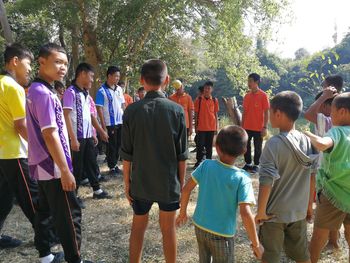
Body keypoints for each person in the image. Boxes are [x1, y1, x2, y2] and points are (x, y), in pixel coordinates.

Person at [26, 43, 93, 263]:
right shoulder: (43, 93)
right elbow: (50, 134)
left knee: (44, 212)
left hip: (40, 164)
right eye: (57, 62)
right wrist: (65, 170)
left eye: (64, 63)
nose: (62, 67)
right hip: (53, 166)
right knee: (69, 216)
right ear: (41, 62)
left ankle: (45, 255)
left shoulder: (35, 90)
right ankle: (75, 259)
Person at [0, 43, 63, 262]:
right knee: (34, 200)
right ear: (15, 61)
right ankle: (46, 250)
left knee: (4, 200)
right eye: (28, 64)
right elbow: (20, 125)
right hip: (15, 153)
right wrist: (40, 147)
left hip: (2, 154)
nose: (29, 70)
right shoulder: (12, 87)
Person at [120, 59, 188, 263]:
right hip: (168, 182)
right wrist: (181, 183)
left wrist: (127, 182)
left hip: (141, 181)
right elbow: (182, 155)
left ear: (142, 80)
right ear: (166, 80)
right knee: (168, 230)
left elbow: (127, 154)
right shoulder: (176, 111)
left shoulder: (132, 111)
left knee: (138, 227)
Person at [176, 125, 264, 262]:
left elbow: (186, 189)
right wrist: (256, 244)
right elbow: (246, 213)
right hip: (222, 234)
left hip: (200, 227)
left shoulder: (206, 165)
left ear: (216, 147)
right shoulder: (242, 178)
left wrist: (182, 213)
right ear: (244, 151)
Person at [256, 91, 315, 263]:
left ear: (278, 113)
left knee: (270, 256)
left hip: (274, 214)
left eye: (270, 112)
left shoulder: (273, 144)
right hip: (298, 211)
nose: (268, 117)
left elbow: (266, 181)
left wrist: (260, 211)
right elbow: (312, 177)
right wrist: (309, 207)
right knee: (302, 255)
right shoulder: (308, 141)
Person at [305, 92, 350, 263]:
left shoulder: (336, 132)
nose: (330, 115)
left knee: (319, 235)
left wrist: (309, 135)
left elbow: (323, 144)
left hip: (333, 193)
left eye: (332, 111)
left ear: (343, 112)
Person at [62, 62, 109, 202]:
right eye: (91, 76)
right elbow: (66, 116)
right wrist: (73, 139)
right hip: (77, 137)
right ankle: (73, 196)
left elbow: (90, 115)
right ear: (82, 73)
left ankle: (97, 190)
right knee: (77, 166)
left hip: (88, 136)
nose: (92, 80)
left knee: (92, 163)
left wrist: (97, 132)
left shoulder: (85, 94)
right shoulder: (70, 92)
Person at [96, 66, 125, 175]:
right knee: (111, 145)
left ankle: (115, 164)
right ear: (109, 76)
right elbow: (99, 109)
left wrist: (125, 117)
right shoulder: (102, 91)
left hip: (120, 122)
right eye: (116, 76)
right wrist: (103, 127)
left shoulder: (119, 89)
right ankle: (111, 166)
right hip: (109, 123)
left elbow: (122, 105)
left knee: (118, 144)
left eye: (119, 76)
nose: (118, 78)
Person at [242, 73, 269, 174]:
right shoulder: (247, 96)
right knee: (246, 146)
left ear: (256, 82)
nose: (248, 83)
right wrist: (242, 126)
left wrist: (265, 127)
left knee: (258, 147)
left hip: (259, 127)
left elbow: (266, 112)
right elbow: (244, 112)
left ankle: (257, 165)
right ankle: (248, 163)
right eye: (248, 81)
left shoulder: (263, 95)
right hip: (247, 126)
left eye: (250, 81)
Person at [193, 81, 219, 168]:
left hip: (211, 127)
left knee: (209, 146)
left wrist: (216, 127)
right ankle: (199, 162)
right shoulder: (198, 100)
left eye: (208, 88)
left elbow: (215, 114)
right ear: (203, 89)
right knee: (200, 146)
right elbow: (196, 114)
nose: (207, 90)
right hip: (201, 127)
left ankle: (209, 162)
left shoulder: (215, 100)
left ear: (212, 89)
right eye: (205, 88)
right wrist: (195, 126)